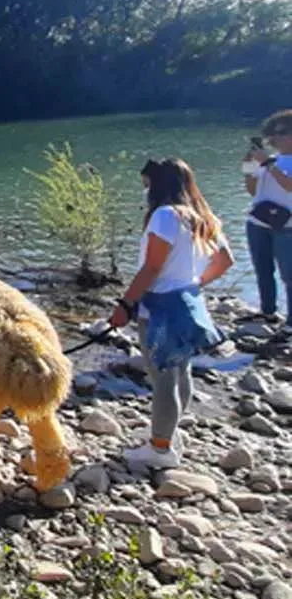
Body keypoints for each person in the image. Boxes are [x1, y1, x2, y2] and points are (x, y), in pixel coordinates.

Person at [110, 159, 233, 469]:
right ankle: (169, 432)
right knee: (182, 372)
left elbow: (152, 268)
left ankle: (160, 449)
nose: (145, 191)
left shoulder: (165, 216)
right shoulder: (201, 217)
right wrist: (193, 283)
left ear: (158, 184)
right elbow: (225, 260)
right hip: (188, 303)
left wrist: (125, 305)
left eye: (147, 184)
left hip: (160, 308)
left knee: (163, 378)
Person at [245, 109, 292, 328]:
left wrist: (268, 164)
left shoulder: (273, 162)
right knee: (263, 270)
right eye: (272, 133)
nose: (275, 138)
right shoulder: (269, 160)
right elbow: (252, 191)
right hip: (258, 223)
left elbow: (289, 186)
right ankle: (267, 312)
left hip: (287, 226)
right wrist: (249, 168)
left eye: (282, 132)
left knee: (289, 275)